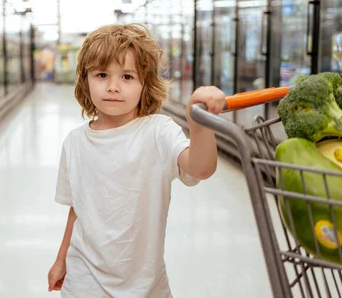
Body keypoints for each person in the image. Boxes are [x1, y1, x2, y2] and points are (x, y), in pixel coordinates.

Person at [47, 24, 226, 297]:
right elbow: (77, 209)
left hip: (145, 285)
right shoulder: (74, 143)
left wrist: (199, 126)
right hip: (84, 282)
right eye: (102, 74)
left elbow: (200, 169)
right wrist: (61, 259)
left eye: (128, 76)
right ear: (85, 80)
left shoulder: (158, 131)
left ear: (146, 84)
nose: (113, 87)